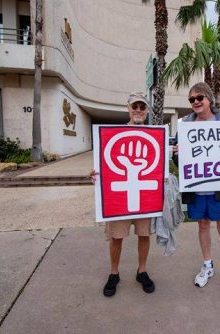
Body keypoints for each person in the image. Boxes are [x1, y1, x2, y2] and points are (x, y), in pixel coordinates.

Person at [172, 82, 220, 302]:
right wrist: (177, 153)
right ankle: (207, 266)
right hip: (196, 188)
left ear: (209, 99)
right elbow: (178, 160)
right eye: (191, 99)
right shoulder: (185, 125)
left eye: (199, 98)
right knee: (202, 225)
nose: (195, 102)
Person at [91, 92, 155, 297]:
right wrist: (96, 175)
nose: (138, 110)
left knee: (144, 234)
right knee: (116, 237)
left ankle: (142, 270)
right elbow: (103, 164)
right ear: (128, 108)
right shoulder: (113, 134)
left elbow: (158, 166)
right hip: (119, 196)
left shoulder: (156, 137)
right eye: (134, 106)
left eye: (142, 107)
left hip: (144, 195)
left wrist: (163, 177)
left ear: (146, 111)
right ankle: (114, 273)